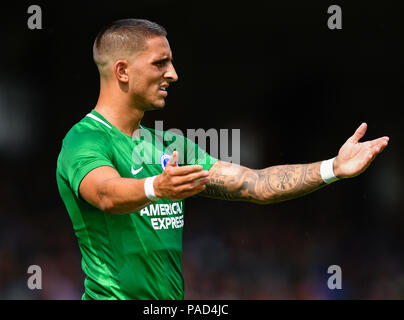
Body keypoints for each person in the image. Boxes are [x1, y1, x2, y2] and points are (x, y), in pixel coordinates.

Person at [56, 18, 389, 300]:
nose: (173, 75)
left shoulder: (169, 146)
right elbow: (104, 194)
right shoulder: (85, 139)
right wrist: (156, 187)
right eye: (160, 63)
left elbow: (255, 185)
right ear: (122, 71)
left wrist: (333, 167)